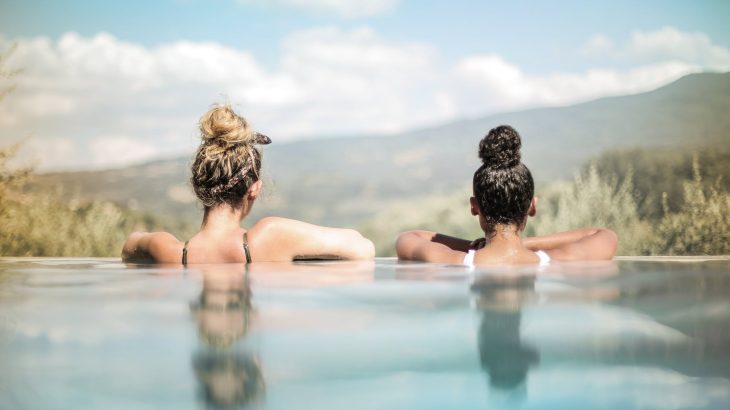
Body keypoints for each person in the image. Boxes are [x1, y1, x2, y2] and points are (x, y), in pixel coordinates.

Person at [122, 104, 375, 264]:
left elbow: (131, 243)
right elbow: (363, 247)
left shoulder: (169, 251)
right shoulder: (269, 235)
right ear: (254, 189)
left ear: (198, 187)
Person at [396, 125, 617, 266]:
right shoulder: (557, 260)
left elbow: (408, 238)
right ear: (532, 206)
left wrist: (476, 247)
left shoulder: (455, 261)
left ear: (474, 206)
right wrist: (523, 244)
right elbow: (603, 234)